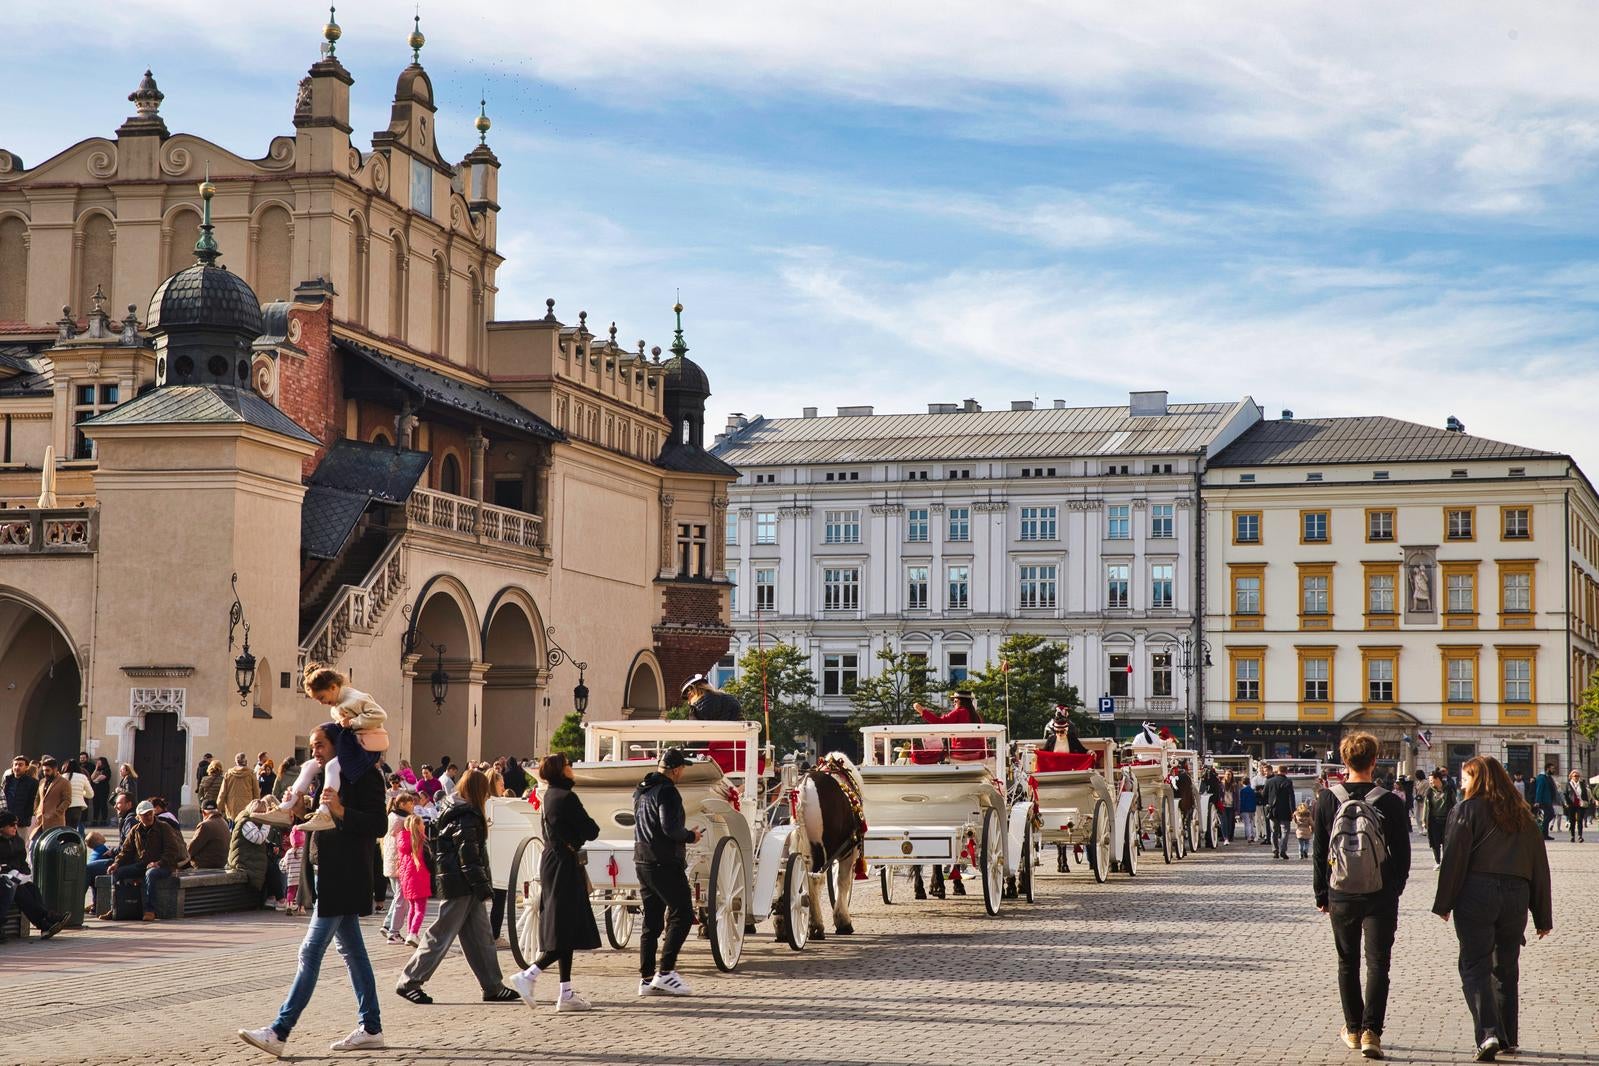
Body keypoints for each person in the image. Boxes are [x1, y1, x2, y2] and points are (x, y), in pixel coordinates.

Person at [238, 721, 388, 1057]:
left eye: (320, 745)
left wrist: (341, 810)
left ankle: (279, 1030)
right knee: (353, 953)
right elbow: (316, 825)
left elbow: (379, 824)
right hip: (326, 872)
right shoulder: (321, 775)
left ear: (339, 744)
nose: (315, 752)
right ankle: (372, 1027)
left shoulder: (365, 776)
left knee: (310, 952)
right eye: (312, 745)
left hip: (346, 874)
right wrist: (300, 808)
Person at [1433, 755, 1553, 1062]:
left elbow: (1454, 859)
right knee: (1506, 967)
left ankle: (1487, 1034)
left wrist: (1444, 902)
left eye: (1465, 778)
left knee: (1474, 965)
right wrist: (1542, 915)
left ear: (1479, 779)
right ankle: (1508, 1037)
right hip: (1516, 895)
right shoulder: (1524, 815)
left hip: (1477, 893)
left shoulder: (1466, 810)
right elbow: (1540, 865)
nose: (1461, 784)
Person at [1313, 731, 1411, 1061]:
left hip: (1341, 892)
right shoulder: (1390, 800)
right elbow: (1403, 853)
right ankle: (1372, 1031)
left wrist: (1322, 893)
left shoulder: (1327, 799)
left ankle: (1353, 1029)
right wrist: (1394, 887)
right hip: (1380, 893)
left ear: (1344, 761)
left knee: (1346, 962)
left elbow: (1318, 851)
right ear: (1374, 761)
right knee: (1378, 963)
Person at [393, 767, 518, 1004]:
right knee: (441, 934)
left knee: (481, 937)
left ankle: (493, 985)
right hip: (461, 883)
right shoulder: (467, 815)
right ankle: (409, 981)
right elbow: (469, 856)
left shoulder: (454, 808)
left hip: (459, 881)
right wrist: (483, 886)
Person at [510, 753, 602, 1012]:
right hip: (564, 863)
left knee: (566, 926)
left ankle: (566, 991)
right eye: (567, 766)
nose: (571, 768)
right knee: (564, 927)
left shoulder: (549, 795)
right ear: (560, 771)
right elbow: (591, 830)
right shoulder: (566, 797)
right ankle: (529, 975)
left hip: (555, 859)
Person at [262, 666, 388, 835]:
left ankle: (324, 813)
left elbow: (380, 715)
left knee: (331, 767)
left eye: (321, 697)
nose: (321, 703)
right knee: (307, 766)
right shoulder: (336, 705)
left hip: (363, 748)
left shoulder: (355, 698)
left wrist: (353, 723)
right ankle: (286, 808)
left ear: (333, 687)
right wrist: (301, 813)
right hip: (352, 745)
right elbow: (314, 832)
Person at [633, 747, 702, 997]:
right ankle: (666, 973)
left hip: (642, 860)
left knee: (651, 922)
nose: (683, 772)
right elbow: (670, 828)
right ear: (674, 770)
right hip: (664, 861)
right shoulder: (668, 792)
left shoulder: (642, 789)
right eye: (682, 768)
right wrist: (690, 836)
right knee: (682, 914)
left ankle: (646, 978)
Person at [110, 799, 189, 921]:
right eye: (145, 815)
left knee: (151, 874)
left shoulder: (164, 827)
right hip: (142, 864)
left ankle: (150, 910)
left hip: (164, 866)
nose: (148, 817)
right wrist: (116, 863)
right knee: (117, 872)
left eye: (150, 813)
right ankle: (115, 907)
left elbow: (172, 850)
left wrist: (158, 863)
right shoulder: (135, 830)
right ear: (138, 817)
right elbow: (125, 850)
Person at [0, 811, 67, 941]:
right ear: (2, 827)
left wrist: (24, 872)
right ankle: (46, 919)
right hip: (4, 877)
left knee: (31, 888)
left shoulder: (17, 841)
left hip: (15, 875)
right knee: (19, 890)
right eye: (11, 825)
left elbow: (21, 861)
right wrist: (9, 870)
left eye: (16, 825)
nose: (15, 828)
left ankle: (45, 924)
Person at [229, 799, 285, 909]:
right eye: (259, 812)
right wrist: (267, 823)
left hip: (252, 857)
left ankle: (272, 897)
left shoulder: (252, 822)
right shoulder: (246, 823)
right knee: (270, 868)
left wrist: (271, 845)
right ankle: (279, 898)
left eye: (263, 813)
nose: (261, 815)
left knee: (272, 866)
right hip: (243, 859)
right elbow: (258, 838)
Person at [380, 790, 419, 943]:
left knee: (399, 897)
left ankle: (388, 925)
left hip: (392, 863)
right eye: (410, 803)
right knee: (402, 899)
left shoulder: (391, 816)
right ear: (402, 804)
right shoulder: (402, 820)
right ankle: (393, 932)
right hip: (400, 863)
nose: (413, 805)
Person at [393, 808, 432, 948]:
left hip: (406, 879)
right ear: (417, 826)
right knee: (420, 909)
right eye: (422, 824)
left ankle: (410, 932)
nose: (424, 826)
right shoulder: (421, 841)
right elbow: (430, 861)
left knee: (412, 908)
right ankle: (413, 934)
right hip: (420, 878)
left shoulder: (402, 840)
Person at [1261, 764, 1298, 860]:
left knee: (1274, 831)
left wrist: (1267, 805)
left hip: (1273, 811)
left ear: (1277, 771)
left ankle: (1275, 850)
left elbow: (1264, 795)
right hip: (1285, 811)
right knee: (1285, 831)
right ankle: (1283, 850)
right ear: (1286, 772)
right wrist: (1293, 810)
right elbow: (1291, 798)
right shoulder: (1288, 782)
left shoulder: (1269, 781)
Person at [2, 756, 38, 845]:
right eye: (15, 765)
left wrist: (24, 818)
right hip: (6, 820)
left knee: (20, 845)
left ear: (26, 767)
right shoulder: (8, 780)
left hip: (21, 821)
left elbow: (31, 802)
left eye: (20, 765)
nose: (17, 767)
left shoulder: (32, 783)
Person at [1425, 768, 1455, 869]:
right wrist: (1424, 820)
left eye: (1432, 780)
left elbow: (1454, 803)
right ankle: (1437, 862)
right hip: (1433, 820)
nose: (1430, 782)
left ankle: (1446, 862)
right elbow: (1426, 806)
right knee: (1435, 842)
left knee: (1446, 841)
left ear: (1438, 779)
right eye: (1429, 781)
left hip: (1446, 820)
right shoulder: (1429, 792)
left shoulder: (1449, 789)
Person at [220, 753, 261, 825]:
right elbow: (256, 792)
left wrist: (218, 808)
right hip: (247, 807)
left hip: (232, 807)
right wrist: (257, 807)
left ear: (236, 762)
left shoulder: (229, 774)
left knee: (232, 829)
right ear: (246, 762)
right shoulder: (251, 774)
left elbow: (222, 793)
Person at [189, 800, 231, 869]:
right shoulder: (224, 822)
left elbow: (191, 849)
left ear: (203, 812)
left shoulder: (205, 825)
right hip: (222, 863)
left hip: (205, 864)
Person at [33, 756, 70, 832]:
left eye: (47, 770)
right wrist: (36, 811)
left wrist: (56, 812)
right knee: (33, 843)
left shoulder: (64, 782)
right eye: (43, 771)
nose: (45, 773)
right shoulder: (42, 781)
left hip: (55, 822)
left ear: (55, 769)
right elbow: (38, 797)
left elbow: (67, 800)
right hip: (40, 821)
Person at [1531, 765, 1557, 840]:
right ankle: (1541, 832)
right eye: (1552, 769)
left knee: (1549, 815)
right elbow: (1539, 789)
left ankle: (1545, 834)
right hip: (1543, 801)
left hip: (1548, 800)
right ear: (1547, 769)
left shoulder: (1548, 777)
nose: (1554, 770)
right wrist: (1537, 801)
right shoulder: (1542, 778)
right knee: (1549, 815)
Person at [1562, 770, 1588, 843]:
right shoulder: (1568, 784)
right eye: (1575, 776)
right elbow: (1565, 794)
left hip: (1580, 805)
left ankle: (1580, 836)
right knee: (1572, 821)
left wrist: (1586, 802)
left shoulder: (1582, 784)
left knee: (1580, 820)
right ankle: (1572, 836)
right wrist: (1566, 803)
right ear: (1571, 777)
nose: (1576, 777)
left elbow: (1585, 793)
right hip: (1571, 805)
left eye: (1577, 776)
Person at [1217, 769, 1238, 845]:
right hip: (1223, 806)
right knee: (1224, 822)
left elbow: (1237, 797)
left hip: (1231, 806)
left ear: (1232, 776)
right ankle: (1225, 838)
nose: (1228, 776)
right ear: (1224, 775)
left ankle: (1228, 837)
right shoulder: (1221, 785)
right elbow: (1219, 795)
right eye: (1227, 774)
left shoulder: (1234, 785)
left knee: (1229, 823)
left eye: (1229, 774)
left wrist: (1237, 809)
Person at [90, 757, 113, 825]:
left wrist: (95, 780)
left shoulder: (107, 769)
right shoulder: (96, 769)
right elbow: (92, 777)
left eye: (98, 761)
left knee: (103, 804)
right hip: (96, 789)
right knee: (95, 804)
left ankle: (103, 820)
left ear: (102, 762)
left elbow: (102, 777)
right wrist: (96, 769)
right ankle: (95, 820)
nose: (97, 763)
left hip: (103, 789)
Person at [1238, 777, 1258, 844]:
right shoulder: (1252, 790)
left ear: (1242, 782)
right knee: (1252, 823)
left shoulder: (1242, 790)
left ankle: (1249, 837)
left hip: (1245, 809)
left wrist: (1240, 810)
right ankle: (1252, 835)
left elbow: (1241, 801)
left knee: (1247, 824)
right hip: (1252, 809)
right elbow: (1254, 800)